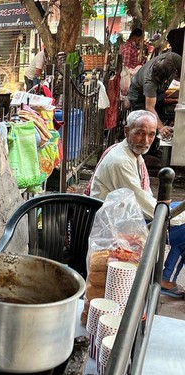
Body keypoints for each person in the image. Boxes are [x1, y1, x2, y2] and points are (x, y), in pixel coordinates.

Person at [87, 110, 185, 298]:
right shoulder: (121, 160)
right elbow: (143, 203)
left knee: (180, 221)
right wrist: (174, 216)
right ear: (126, 131)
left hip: (129, 215)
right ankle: (163, 277)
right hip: (116, 225)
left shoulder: (131, 153)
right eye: (140, 133)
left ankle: (165, 276)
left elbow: (144, 198)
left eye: (150, 134)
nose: (146, 140)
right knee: (182, 227)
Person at [127, 51, 181, 140]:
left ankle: (155, 145)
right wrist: (161, 127)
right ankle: (143, 149)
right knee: (144, 123)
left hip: (159, 92)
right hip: (139, 96)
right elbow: (150, 107)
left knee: (159, 112)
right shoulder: (149, 82)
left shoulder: (173, 58)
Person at [119, 28, 144, 96]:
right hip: (128, 78)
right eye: (138, 40)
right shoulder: (128, 48)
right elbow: (126, 67)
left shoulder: (133, 47)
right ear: (133, 38)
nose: (139, 42)